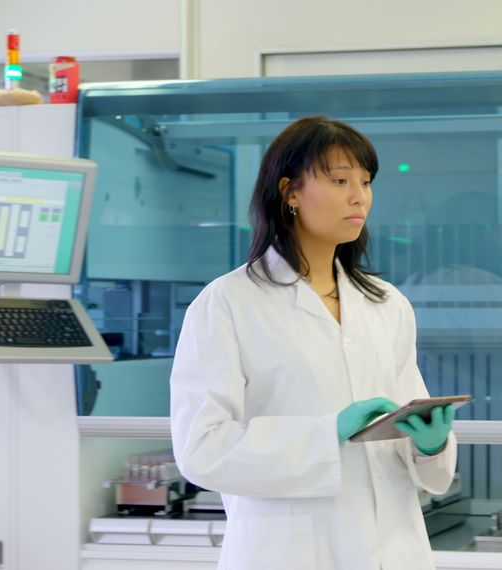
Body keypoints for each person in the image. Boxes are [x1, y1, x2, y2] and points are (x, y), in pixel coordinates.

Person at [170, 116, 457, 570]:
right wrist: (327, 433)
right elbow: (200, 449)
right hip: (290, 552)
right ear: (290, 192)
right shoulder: (227, 304)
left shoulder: (387, 304)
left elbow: (416, 448)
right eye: (340, 180)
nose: (359, 195)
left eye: (365, 181)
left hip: (395, 548)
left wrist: (430, 446)